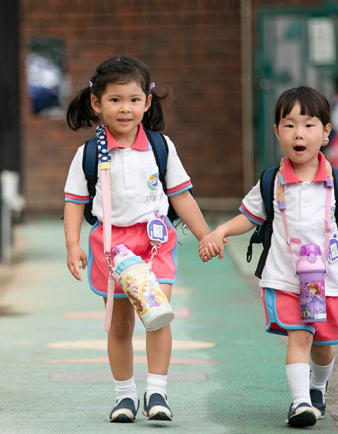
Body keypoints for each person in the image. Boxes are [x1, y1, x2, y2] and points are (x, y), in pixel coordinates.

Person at [199, 87, 338, 428]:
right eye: (289, 124)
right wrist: (220, 231)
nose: (298, 133)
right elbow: (249, 216)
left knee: (323, 346)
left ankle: (317, 386)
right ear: (277, 132)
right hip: (287, 278)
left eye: (309, 125)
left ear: (326, 133)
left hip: (329, 281)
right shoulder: (272, 181)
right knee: (300, 336)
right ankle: (300, 403)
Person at [63, 56, 213, 423]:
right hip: (110, 248)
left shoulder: (161, 147)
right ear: (96, 103)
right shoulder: (88, 154)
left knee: (158, 315)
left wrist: (205, 234)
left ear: (147, 103)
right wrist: (72, 244)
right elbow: (74, 202)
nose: (125, 108)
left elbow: (180, 196)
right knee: (120, 325)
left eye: (133, 99)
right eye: (114, 100)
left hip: (155, 243)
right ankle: (125, 396)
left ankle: (157, 391)